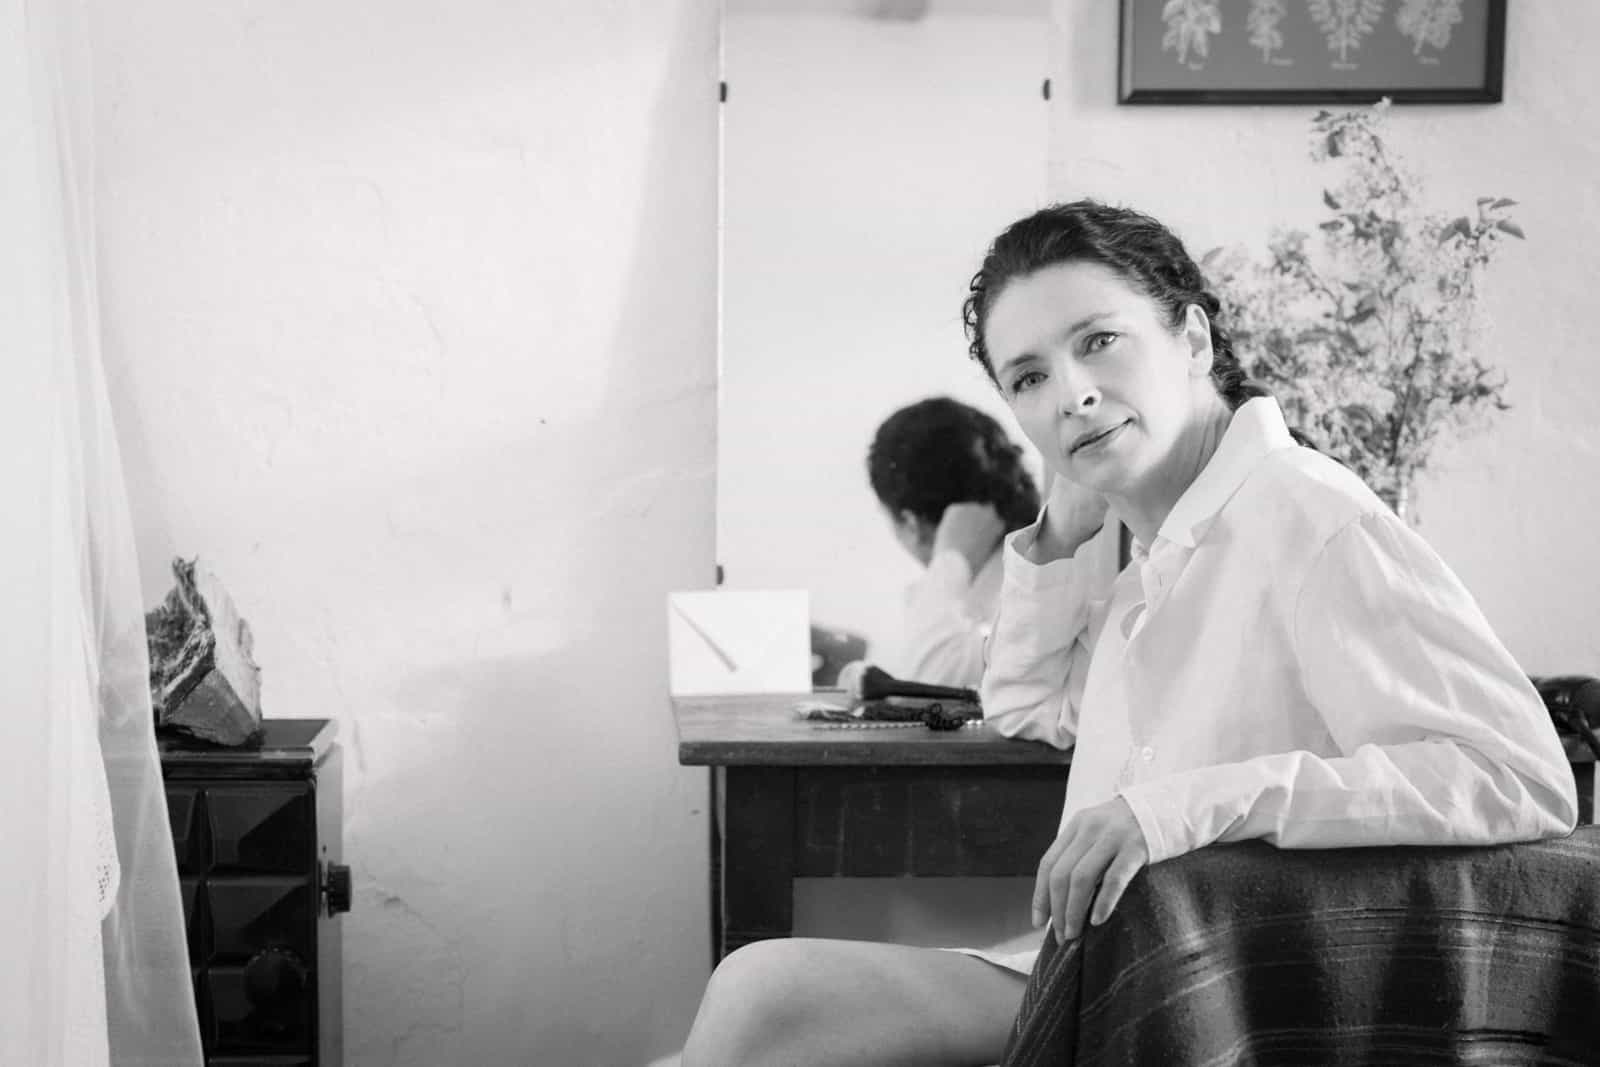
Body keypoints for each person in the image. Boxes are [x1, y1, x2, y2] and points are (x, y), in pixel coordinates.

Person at [679, 200, 1578, 1067]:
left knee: (759, 995)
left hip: (1221, 989)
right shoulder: (1162, 554)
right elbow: (1024, 704)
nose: (1071, 394)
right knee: (750, 1002)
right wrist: (1058, 533)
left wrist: (1181, 807)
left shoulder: (1308, 517)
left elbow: (1519, 773)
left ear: (1193, 341)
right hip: (1115, 969)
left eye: (1099, 341)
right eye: (1029, 378)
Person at [837, 397, 1042, 691]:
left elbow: (927, 689)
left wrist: (950, 558)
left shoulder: (1012, 596)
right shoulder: (1031, 563)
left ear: (910, 523)